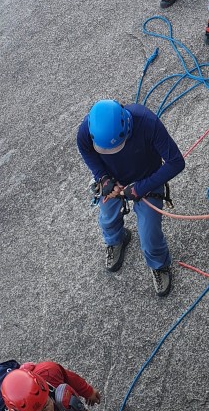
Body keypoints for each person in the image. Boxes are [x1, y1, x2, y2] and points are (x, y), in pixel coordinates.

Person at [77, 98, 185, 298]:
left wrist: (140, 188)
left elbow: (176, 162)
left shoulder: (147, 123)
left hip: (147, 180)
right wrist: (103, 177)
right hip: (112, 180)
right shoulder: (87, 130)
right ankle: (116, 239)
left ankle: (159, 264)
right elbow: (86, 150)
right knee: (107, 218)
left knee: (149, 234)